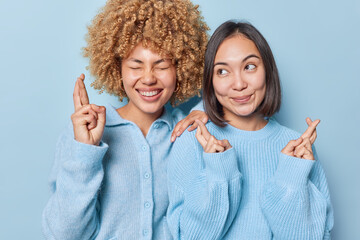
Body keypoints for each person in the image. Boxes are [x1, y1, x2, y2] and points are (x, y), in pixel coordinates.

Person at [42, 0, 209, 239]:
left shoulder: (190, 131)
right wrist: (85, 151)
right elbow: (64, 234)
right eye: (136, 65)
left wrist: (207, 110)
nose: (148, 78)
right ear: (116, 67)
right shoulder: (85, 131)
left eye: (161, 65)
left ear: (181, 68)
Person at [167, 21, 334, 239]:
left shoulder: (297, 148)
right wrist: (219, 171)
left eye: (249, 67)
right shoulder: (193, 139)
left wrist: (290, 176)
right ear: (210, 80)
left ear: (267, 70)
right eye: (223, 71)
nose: (238, 84)